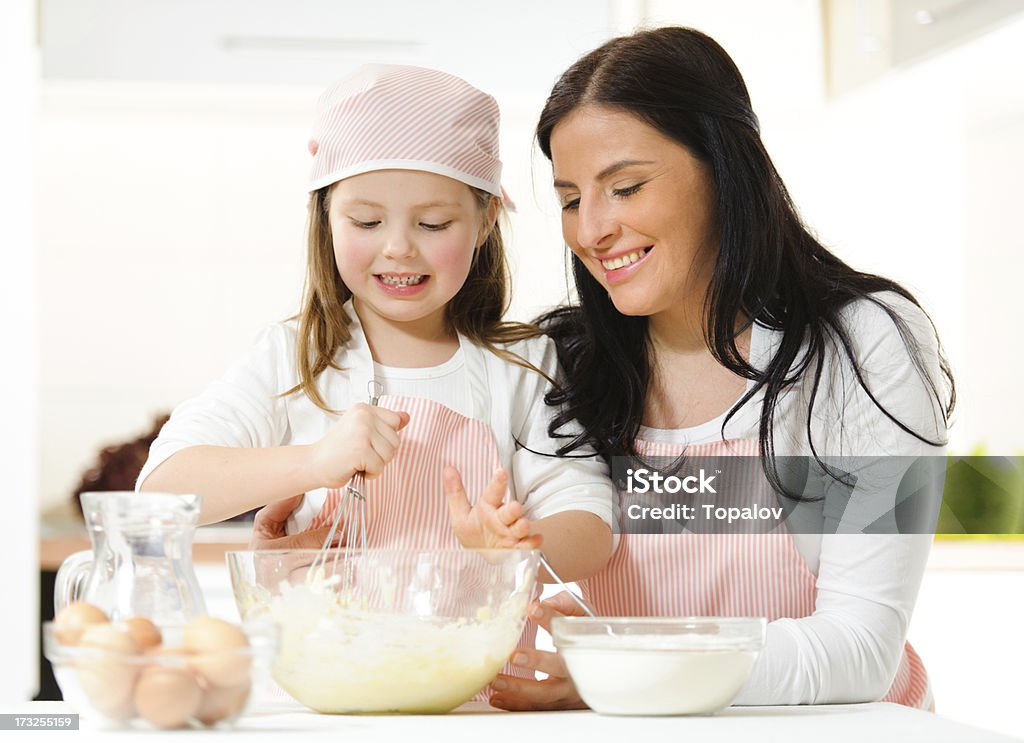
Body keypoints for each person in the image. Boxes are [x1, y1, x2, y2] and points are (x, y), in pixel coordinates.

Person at [487, 27, 954, 710]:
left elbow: (862, 647)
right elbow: (459, 533)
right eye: (569, 198)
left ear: (722, 166)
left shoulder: (861, 343)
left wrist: (626, 667)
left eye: (625, 186)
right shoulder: (565, 364)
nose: (591, 230)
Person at [137, 64, 613, 581]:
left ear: (484, 222)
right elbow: (162, 491)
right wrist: (314, 462)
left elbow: (589, 520)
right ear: (327, 219)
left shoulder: (523, 365)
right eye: (366, 222)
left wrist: (516, 556)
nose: (399, 248)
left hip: (478, 661)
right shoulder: (294, 357)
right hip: (322, 658)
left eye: (433, 223)